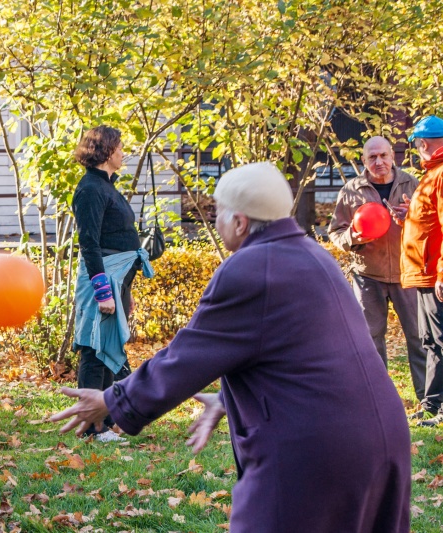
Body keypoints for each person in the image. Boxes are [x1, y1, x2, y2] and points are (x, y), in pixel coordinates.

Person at [52, 162, 411, 532]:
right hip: (383, 435)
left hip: (317, 449)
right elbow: (299, 351)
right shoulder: (314, 255)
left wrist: (112, 400)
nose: (216, 218)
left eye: (219, 210)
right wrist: (226, 398)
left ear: (240, 222)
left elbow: (186, 356)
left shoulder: (250, 268)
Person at [70, 125, 154, 443]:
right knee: (94, 349)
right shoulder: (91, 188)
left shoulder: (107, 186)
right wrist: (103, 290)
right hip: (101, 281)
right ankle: (92, 428)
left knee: (108, 347)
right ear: (106, 150)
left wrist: (125, 293)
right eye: (119, 147)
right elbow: (89, 243)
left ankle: (105, 423)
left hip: (116, 281)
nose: (123, 152)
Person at [328, 136, 425, 401]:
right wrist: (354, 237)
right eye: (372, 157)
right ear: (363, 160)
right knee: (371, 341)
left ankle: (430, 400)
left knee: (419, 337)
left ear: (392, 155)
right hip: (368, 275)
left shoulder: (412, 183)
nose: (378, 162)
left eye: (383, 155)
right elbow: (335, 232)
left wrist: (411, 219)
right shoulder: (351, 190)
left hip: (408, 273)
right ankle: (379, 400)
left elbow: (431, 223)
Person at [399, 115, 443, 427]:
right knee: (429, 340)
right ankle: (432, 404)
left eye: (416, 143)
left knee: (439, 341)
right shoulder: (431, 174)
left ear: (423, 143)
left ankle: (440, 409)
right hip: (424, 272)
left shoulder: (440, 175)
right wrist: (408, 218)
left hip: (434, 274)